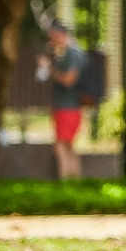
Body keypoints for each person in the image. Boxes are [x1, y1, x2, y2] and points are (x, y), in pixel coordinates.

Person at [39, 23, 87, 180]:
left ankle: (66, 180)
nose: (51, 41)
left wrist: (50, 69)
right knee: (67, 146)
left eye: (52, 37)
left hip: (68, 108)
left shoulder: (73, 53)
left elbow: (68, 80)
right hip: (65, 107)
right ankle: (74, 180)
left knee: (60, 146)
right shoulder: (65, 53)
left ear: (60, 34)